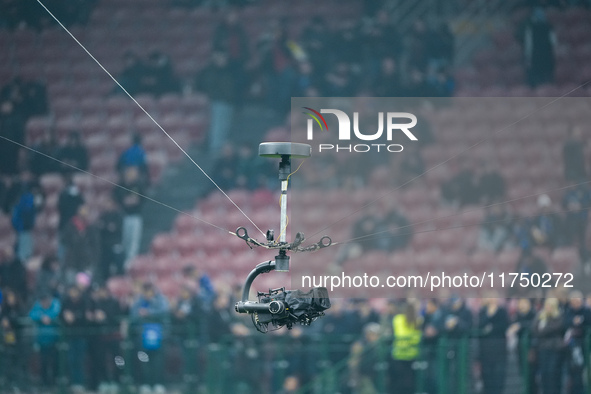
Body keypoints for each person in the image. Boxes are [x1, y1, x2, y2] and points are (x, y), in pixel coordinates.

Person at [129, 282, 170, 391]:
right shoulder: (139, 302)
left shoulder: (161, 300)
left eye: (150, 291)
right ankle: (145, 383)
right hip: (142, 335)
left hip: (159, 335)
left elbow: (164, 311)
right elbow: (133, 315)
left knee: (158, 361)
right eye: (145, 291)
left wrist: (149, 312)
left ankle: (158, 383)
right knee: (144, 360)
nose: (148, 294)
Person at [195, 51, 238, 154]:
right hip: (218, 100)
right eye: (220, 58)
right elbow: (207, 84)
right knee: (218, 125)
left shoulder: (228, 70)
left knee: (226, 125)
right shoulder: (211, 71)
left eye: (224, 57)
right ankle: (216, 148)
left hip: (229, 101)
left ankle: (223, 147)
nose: (223, 60)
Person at [60, 285, 92, 391]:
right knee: (71, 360)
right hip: (69, 336)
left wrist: (75, 317)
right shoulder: (65, 303)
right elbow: (61, 317)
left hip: (81, 335)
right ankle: (73, 382)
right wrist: (66, 317)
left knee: (80, 360)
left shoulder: (84, 302)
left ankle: (80, 382)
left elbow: (85, 318)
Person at [113, 166, 147, 266]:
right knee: (124, 240)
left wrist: (130, 200)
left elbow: (138, 200)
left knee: (134, 240)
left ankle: (132, 263)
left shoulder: (138, 185)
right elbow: (120, 199)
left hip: (136, 216)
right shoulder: (121, 185)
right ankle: (123, 261)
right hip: (123, 216)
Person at [531, 298, 565, 394]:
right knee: (544, 374)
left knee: (552, 373)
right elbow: (534, 329)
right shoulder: (541, 316)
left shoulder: (558, 316)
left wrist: (543, 330)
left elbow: (554, 328)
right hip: (542, 349)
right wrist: (543, 330)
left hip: (554, 349)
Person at [478, 295, 509, 394]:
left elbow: (503, 326)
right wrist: (489, 315)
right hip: (486, 350)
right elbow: (480, 326)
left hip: (499, 349)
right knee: (487, 375)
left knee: (498, 375)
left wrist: (491, 328)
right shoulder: (483, 312)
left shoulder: (502, 312)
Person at [29, 292, 61, 388]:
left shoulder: (55, 304)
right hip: (42, 339)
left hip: (55, 339)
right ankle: (44, 383)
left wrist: (48, 316)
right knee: (44, 362)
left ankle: (55, 382)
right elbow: (31, 314)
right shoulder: (38, 305)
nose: (45, 303)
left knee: (55, 361)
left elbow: (56, 312)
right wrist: (41, 317)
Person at [61, 204, 101, 282]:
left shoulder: (91, 228)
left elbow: (96, 246)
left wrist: (93, 261)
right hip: (72, 261)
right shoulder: (70, 226)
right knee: (71, 285)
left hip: (86, 262)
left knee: (83, 286)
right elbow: (64, 240)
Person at [507, 298, 537, 394]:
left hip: (532, 348)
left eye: (524, 303)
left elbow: (533, 326)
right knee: (523, 373)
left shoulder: (533, 314)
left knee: (532, 374)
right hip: (520, 349)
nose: (522, 305)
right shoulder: (517, 316)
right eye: (521, 303)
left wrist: (520, 326)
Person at [391, 301, 421, 394]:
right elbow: (417, 337)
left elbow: (397, 334)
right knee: (410, 381)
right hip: (412, 353)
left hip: (399, 353)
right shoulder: (418, 320)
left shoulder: (397, 319)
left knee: (399, 380)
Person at [522, 7, 557, 87]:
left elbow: (528, 46)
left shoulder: (546, 27)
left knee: (542, 79)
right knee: (541, 78)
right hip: (542, 57)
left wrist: (528, 59)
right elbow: (554, 43)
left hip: (540, 57)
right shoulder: (548, 27)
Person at [564, 291, 590, 394]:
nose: (575, 303)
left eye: (577, 300)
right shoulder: (568, 312)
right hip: (572, 346)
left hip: (584, 346)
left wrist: (580, 321)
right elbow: (566, 322)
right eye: (573, 301)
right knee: (574, 373)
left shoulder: (586, 311)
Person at [348, 322, 384, 394]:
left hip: (376, 375)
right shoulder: (360, 345)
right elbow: (353, 363)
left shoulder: (380, 346)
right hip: (364, 376)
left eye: (377, 334)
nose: (375, 337)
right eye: (372, 334)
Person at [0, 288, 25, 390]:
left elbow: (21, 319)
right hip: (8, 337)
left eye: (12, 297)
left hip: (20, 339)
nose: (11, 299)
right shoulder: (5, 309)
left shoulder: (20, 308)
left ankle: (17, 383)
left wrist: (9, 321)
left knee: (17, 361)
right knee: (8, 358)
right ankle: (7, 381)